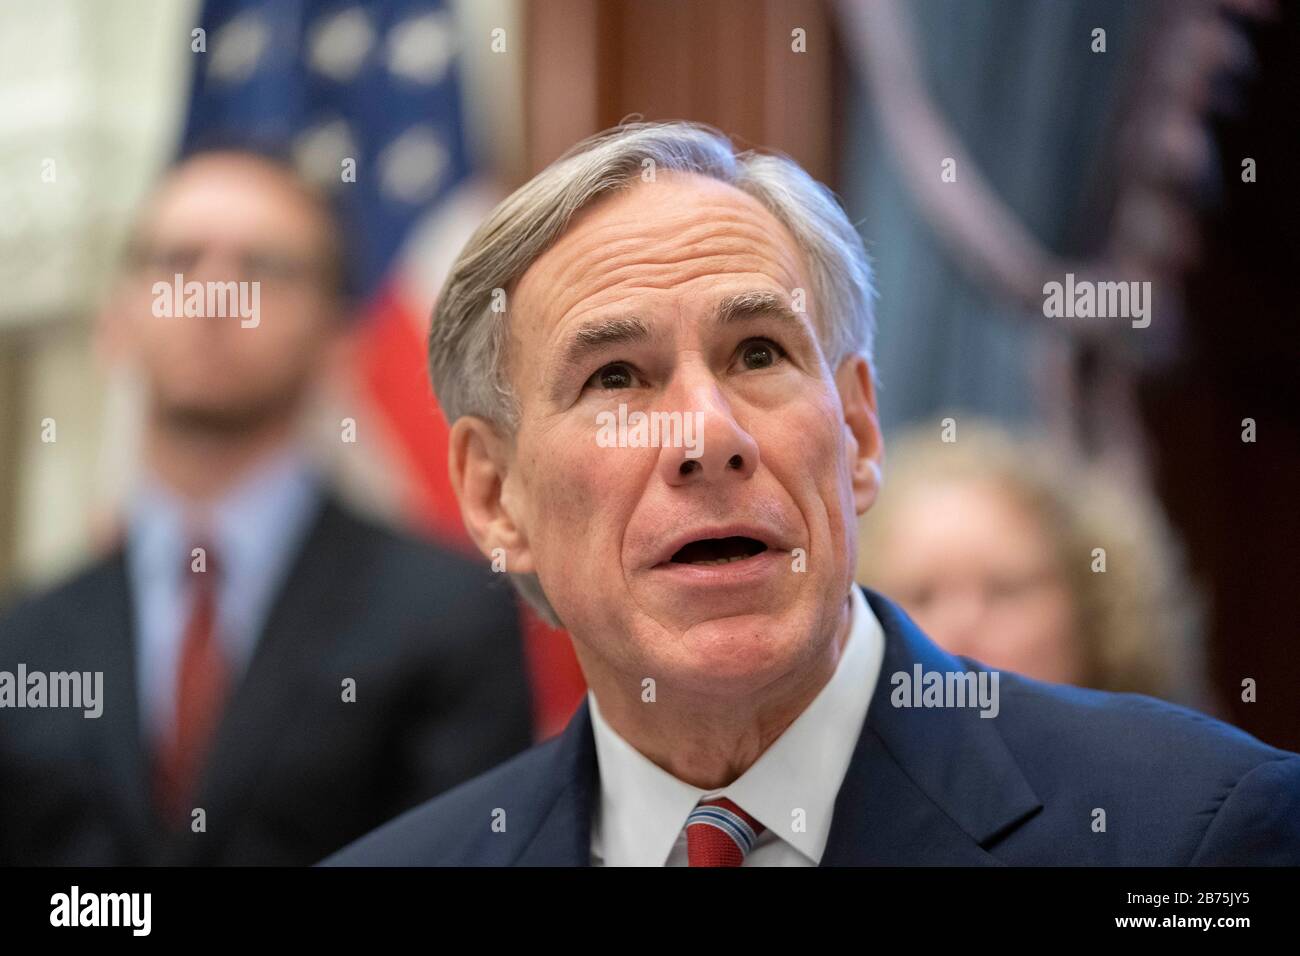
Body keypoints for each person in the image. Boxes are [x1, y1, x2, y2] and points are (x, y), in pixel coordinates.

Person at [323, 121, 1300, 866]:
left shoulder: (1193, 831)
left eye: (759, 352)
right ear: (495, 496)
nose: (709, 435)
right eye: (616, 376)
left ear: (860, 431)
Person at [0, 146, 534, 865]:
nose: (215, 295)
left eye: (262, 267)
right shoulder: (26, 638)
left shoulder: (449, 617)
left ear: (339, 340)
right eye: (178, 261)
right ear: (117, 320)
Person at [856, 419, 1213, 709]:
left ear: (1095, 610)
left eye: (1004, 590)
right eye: (921, 597)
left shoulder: (1176, 783)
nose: (960, 624)